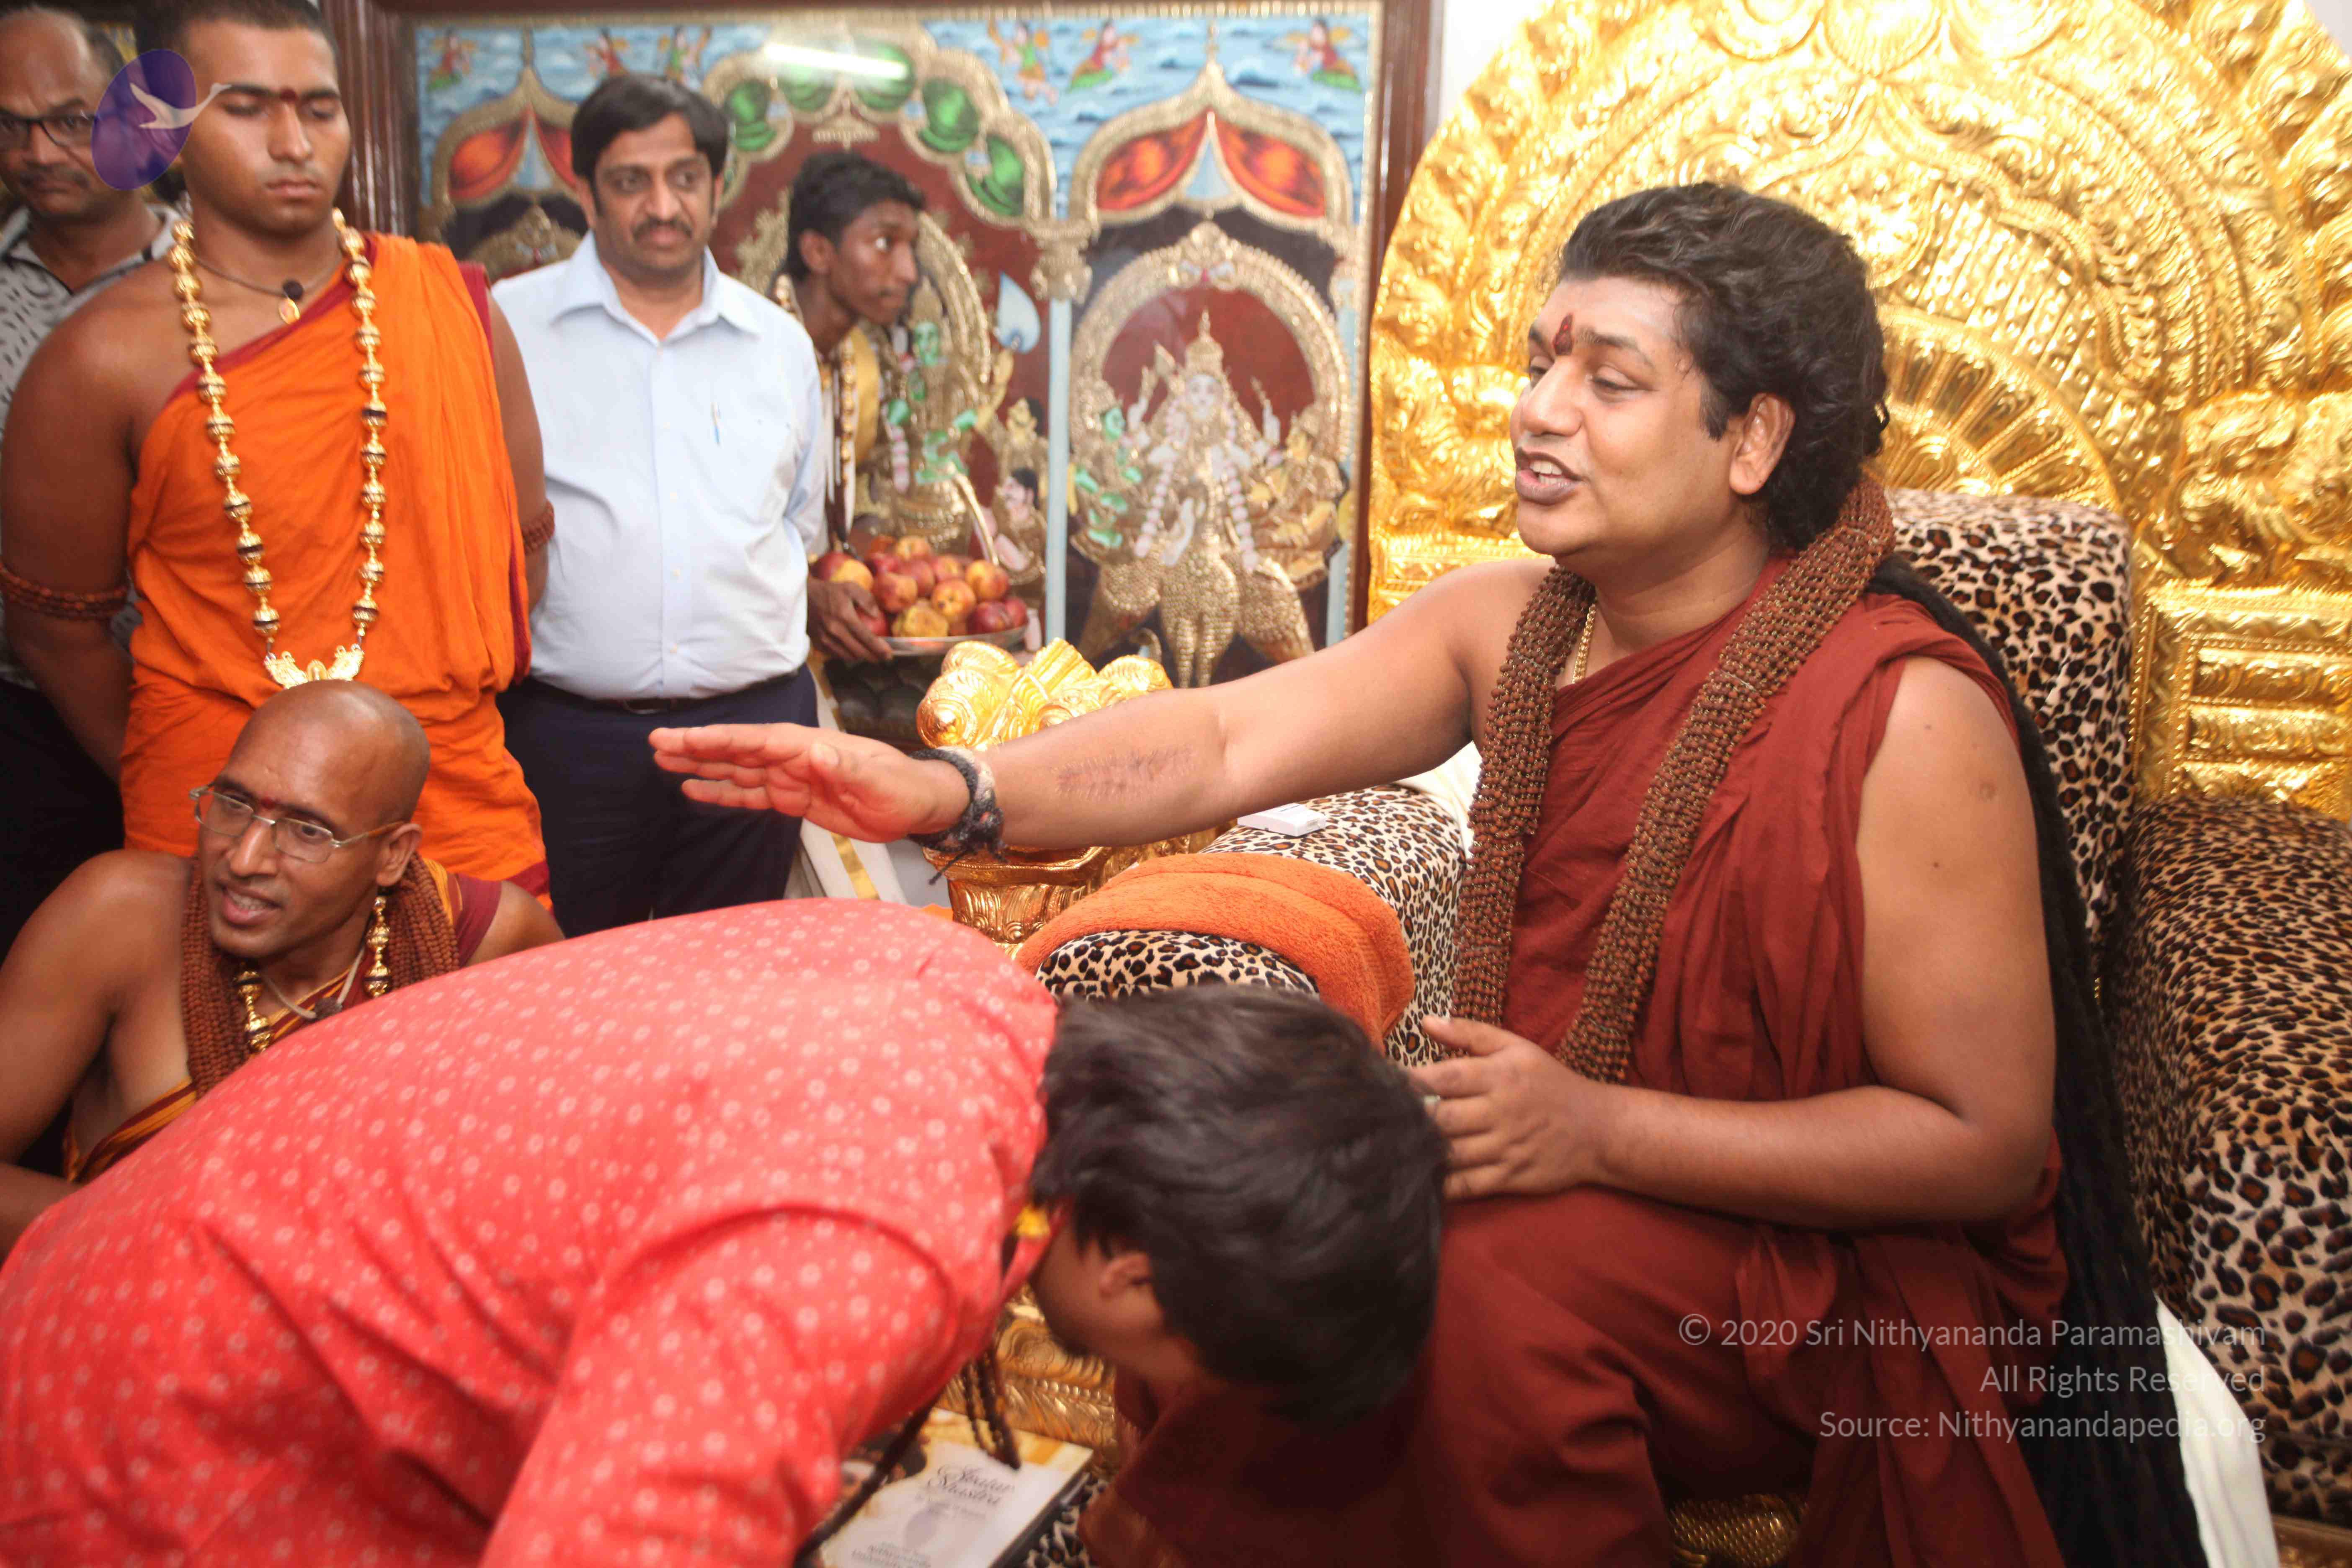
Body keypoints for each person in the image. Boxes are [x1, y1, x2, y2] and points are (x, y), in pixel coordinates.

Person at [652, 185, 2207, 1565]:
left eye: (1607, 381)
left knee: (1442, 1287)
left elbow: (1977, 1145)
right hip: (1560, 1171)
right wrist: (953, 790)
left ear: (1751, 440)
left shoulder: (1904, 711)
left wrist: (1597, 1128)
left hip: (1821, 1281)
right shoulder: (1510, 626)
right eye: (1540, 363)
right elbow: (1224, 741)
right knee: (1249, 1235)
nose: (1537, 412)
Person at [0, 902, 1445, 1564]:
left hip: (191, 1293)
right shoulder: (875, 1231)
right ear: (1139, 1273)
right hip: (165, 1433)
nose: (1156, 1402)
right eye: (1195, 1375)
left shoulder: (964, 995)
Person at [0, 0, 552, 895]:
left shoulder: (453, 309)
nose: (294, 143)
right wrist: (196, 771)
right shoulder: (100, 357)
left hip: (448, 800)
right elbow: (52, 627)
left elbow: (522, 558)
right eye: (247, 107)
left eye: (319, 108)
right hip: (220, 825)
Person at [0, 680, 561, 1250]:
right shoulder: (120, 917)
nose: (244, 859)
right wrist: (203, 1241)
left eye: (308, 832)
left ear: (392, 854)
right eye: (234, 804)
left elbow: (554, 1176)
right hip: (139, 1291)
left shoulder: (488, 940)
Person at [492, 75, 849, 936]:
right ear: (586, 192)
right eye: (631, 181)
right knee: (568, 977)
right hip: (569, 737)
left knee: (727, 976)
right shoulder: (509, 326)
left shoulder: (779, 343)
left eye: (685, 178)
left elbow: (797, 527)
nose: (662, 206)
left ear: (717, 187)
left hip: (753, 729)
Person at [0, 6, 178, 961]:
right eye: (10, 125)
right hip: (21, 719)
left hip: (202, 710)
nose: (37, 152)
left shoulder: (228, 281)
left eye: (69, 120)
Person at [779, 147, 922, 650]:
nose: (908, 271)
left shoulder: (856, 360)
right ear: (819, 252)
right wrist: (801, 596)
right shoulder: (747, 359)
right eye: (885, 244)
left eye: (910, 248)